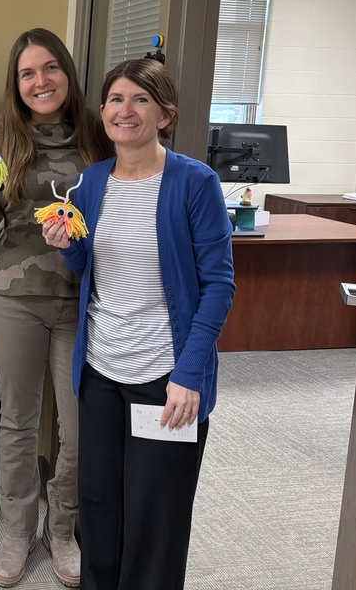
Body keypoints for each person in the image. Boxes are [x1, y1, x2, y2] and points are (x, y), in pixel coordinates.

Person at [44, 58, 236, 590]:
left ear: (165, 115)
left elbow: (219, 285)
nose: (124, 110)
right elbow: (92, 268)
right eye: (115, 99)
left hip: (165, 377)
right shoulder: (90, 182)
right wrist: (68, 246)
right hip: (101, 370)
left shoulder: (195, 182)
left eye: (139, 99)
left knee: (155, 516)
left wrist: (189, 374)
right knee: (99, 506)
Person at [0, 28, 114, 588]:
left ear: (67, 73)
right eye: (27, 73)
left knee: (78, 428)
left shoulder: (99, 135)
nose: (40, 81)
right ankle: (17, 530)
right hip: (15, 300)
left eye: (50, 68)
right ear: (16, 83)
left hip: (83, 299)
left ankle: (63, 529)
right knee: (18, 422)